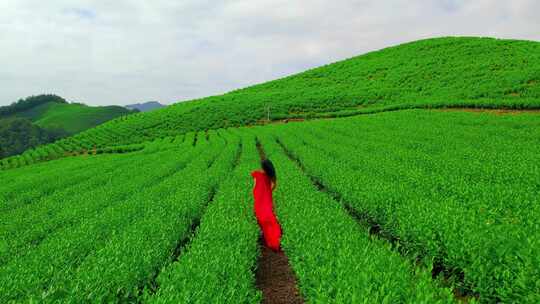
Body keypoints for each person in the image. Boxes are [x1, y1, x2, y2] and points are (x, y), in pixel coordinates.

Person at [251, 159, 282, 251]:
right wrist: (268, 192)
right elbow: (273, 186)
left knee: (263, 221)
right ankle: (275, 242)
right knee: (270, 220)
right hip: (267, 200)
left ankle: (270, 241)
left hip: (259, 201)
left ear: (262, 167)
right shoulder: (271, 176)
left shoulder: (257, 174)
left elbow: (254, 187)